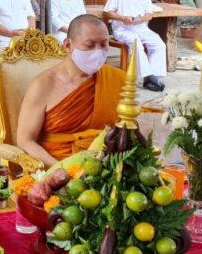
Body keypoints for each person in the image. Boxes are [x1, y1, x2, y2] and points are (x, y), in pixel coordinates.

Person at [16, 14, 124, 167]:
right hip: (57, 166)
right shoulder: (43, 85)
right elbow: (25, 141)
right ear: (68, 45)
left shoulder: (116, 79)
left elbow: (127, 128)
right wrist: (61, 170)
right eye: (90, 45)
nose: (98, 51)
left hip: (108, 165)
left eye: (104, 44)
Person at [103, 0, 166, 91]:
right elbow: (107, 12)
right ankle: (148, 76)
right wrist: (122, 18)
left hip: (140, 27)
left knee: (159, 44)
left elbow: (149, 14)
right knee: (136, 43)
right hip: (122, 29)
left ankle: (152, 77)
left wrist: (141, 19)